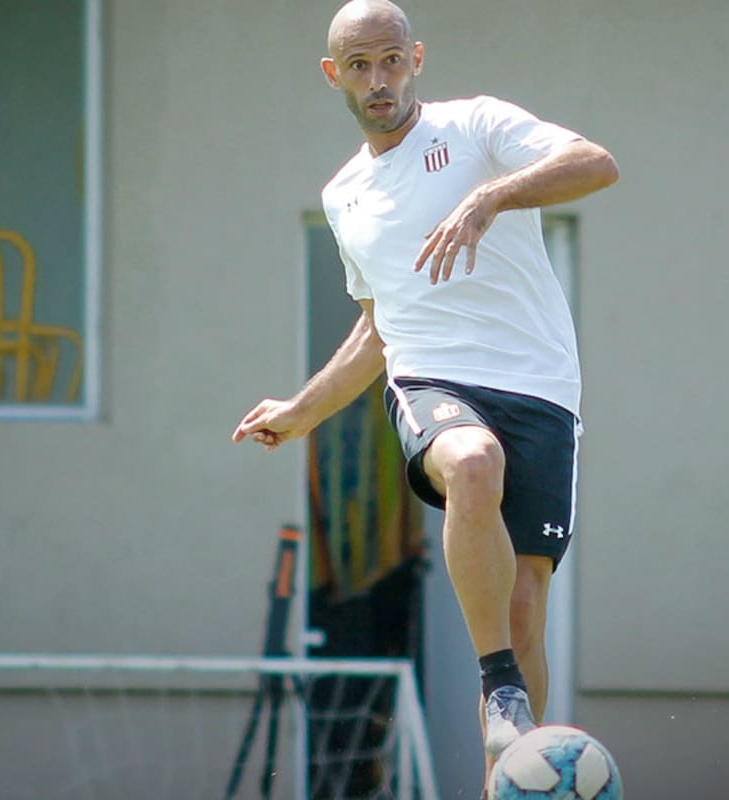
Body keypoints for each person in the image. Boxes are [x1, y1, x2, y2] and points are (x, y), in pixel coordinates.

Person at [232, 0, 618, 794]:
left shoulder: (476, 126)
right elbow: (380, 326)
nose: (379, 80)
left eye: (391, 60)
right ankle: (499, 685)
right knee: (472, 462)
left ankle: (507, 782)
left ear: (416, 58)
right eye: (360, 66)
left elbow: (595, 163)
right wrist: (303, 410)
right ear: (333, 74)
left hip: (542, 386)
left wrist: (489, 198)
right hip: (432, 377)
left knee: (524, 605)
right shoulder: (344, 195)